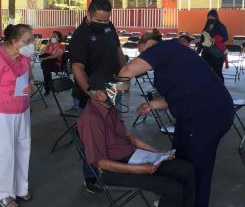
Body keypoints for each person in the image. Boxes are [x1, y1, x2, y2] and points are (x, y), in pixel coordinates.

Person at [118, 39, 234, 207]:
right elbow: (177, 95)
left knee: (197, 166)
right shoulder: (172, 58)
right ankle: (179, 198)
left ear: (150, 44)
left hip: (206, 115)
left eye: (142, 52)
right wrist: (152, 105)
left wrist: (109, 89)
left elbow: (128, 69)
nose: (142, 57)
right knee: (180, 158)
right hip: (200, 112)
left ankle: (195, 203)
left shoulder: (163, 48)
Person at [77, 72, 196, 207]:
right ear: (100, 94)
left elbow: (129, 135)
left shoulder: (109, 108)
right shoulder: (91, 120)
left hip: (133, 158)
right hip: (114, 170)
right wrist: (139, 169)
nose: (119, 94)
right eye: (115, 91)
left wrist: (158, 153)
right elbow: (101, 163)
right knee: (172, 188)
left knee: (187, 169)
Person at [69, 0, 126, 193]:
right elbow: (77, 67)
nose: (103, 24)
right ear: (88, 14)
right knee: (92, 139)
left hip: (112, 87)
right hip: (90, 93)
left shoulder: (110, 28)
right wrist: (90, 92)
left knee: (113, 131)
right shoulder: (80, 35)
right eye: (99, 20)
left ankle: (112, 169)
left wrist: (124, 74)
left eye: (106, 20)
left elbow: (118, 50)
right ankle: (90, 177)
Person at [0, 24, 35, 207]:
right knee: (3, 153)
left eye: (31, 40)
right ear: (13, 41)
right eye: (27, 41)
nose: (31, 44)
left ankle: (20, 188)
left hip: (22, 109)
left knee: (22, 149)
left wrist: (31, 85)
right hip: (1, 113)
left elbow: (30, 77)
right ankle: (1, 194)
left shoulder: (24, 56)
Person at [198, 9, 228, 83]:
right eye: (209, 17)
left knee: (218, 73)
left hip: (217, 54)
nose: (210, 19)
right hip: (206, 53)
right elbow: (202, 41)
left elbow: (226, 37)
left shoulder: (221, 26)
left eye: (212, 17)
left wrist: (216, 39)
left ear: (216, 17)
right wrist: (197, 51)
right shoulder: (206, 27)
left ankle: (221, 90)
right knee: (204, 72)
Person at [39, 31, 64, 95]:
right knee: (46, 68)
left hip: (56, 64)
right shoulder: (49, 45)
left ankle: (48, 87)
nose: (52, 37)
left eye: (54, 36)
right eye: (52, 36)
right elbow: (41, 52)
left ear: (58, 38)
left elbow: (55, 56)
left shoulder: (61, 46)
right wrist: (47, 44)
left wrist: (44, 58)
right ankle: (49, 86)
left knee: (45, 66)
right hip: (47, 64)